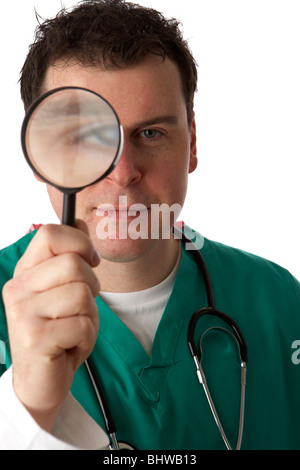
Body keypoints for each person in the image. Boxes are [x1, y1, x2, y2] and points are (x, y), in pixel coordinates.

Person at [0, 0, 299, 451]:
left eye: (151, 133)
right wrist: (28, 411)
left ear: (192, 144)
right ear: (40, 156)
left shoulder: (279, 301)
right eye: (86, 137)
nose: (122, 173)